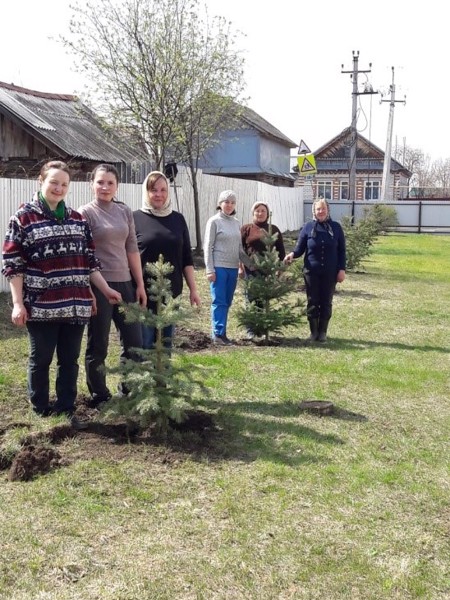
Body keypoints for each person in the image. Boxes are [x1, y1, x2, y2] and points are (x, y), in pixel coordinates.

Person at [1, 160, 121, 418]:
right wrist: (19, 303)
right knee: (41, 360)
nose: (59, 188)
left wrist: (105, 289)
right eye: (53, 182)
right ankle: (41, 409)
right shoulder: (23, 218)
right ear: (41, 182)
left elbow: (90, 262)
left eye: (64, 184)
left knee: (69, 361)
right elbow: (13, 265)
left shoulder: (78, 220)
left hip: (75, 305)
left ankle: (66, 407)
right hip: (42, 306)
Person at [78, 164, 147, 406]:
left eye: (110, 183)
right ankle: (99, 394)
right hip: (99, 285)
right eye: (100, 182)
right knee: (99, 344)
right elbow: (83, 257)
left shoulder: (124, 211)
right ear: (92, 184)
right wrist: (90, 291)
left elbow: (132, 248)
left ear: (117, 186)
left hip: (126, 283)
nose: (105, 187)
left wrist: (139, 284)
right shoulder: (84, 214)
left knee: (134, 341)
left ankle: (128, 389)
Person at [133, 170, 201, 348]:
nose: (158, 194)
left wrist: (193, 290)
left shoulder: (178, 219)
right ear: (146, 192)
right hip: (143, 293)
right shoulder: (135, 218)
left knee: (165, 346)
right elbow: (129, 256)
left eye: (163, 190)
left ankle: (164, 377)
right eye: (154, 190)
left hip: (172, 292)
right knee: (145, 345)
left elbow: (187, 257)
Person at [284, 198, 346, 342]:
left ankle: (323, 332)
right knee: (312, 301)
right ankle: (313, 332)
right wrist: (292, 255)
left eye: (323, 208)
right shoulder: (307, 227)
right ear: (314, 211)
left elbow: (342, 251)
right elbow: (299, 249)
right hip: (311, 272)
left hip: (330, 272)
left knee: (326, 301)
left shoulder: (336, 227)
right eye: (318, 209)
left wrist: (342, 269)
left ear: (328, 210)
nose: (321, 211)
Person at [203, 190, 253, 345]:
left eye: (232, 202)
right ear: (220, 204)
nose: (229, 205)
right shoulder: (214, 221)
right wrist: (209, 269)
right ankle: (217, 334)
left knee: (228, 300)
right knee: (219, 301)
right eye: (226, 202)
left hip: (232, 267)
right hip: (218, 267)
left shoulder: (236, 223)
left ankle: (223, 333)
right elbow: (208, 246)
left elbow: (239, 249)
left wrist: (251, 264)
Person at [240, 201, 286, 339]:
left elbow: (281, 252)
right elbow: (239, 250)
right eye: (257, 211)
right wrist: (240, 268)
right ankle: (251, 330)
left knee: (263, 299)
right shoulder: (246, 229)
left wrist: (279, 269)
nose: (260, 213)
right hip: (250, 269)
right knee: (251, 299)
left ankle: (263, 329)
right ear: (253, 213)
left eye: (263, 211)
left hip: (267, 270)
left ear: (267, 213)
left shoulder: (274, 229)